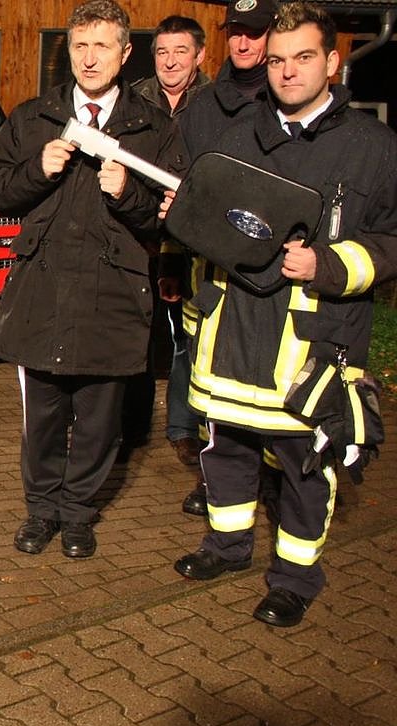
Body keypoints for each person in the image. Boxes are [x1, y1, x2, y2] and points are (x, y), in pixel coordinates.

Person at [170, 2, 397, 628]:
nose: (288, 72)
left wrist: (328, 263)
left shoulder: (374, 148)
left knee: (305, 466)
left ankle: (295, 579)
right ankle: (226, 546)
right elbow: (215, 220)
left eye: (303, 58)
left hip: (311, 339)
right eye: (276, 60)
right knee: (226, 449)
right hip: (232, 328)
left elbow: (391, 240)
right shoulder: (238, 135)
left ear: (332, 61)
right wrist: (183, 213)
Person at [0, 0, 184, 559]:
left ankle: (77, 514)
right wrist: (36, 170)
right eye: (79, 46)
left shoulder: (154, 127)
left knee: (98, 421)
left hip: (113, 295)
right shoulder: (33, 118)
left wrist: (128, 193)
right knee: (43, 418)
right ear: (67, 51)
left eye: (101, 46)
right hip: (42, 292)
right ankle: (40, 510)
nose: (89, 59)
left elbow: (171, 216)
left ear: (125, 53)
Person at [169, 0, 275, 516]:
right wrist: (171, 260)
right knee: (209, 384)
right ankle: (215, 477)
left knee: (266, 386)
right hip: (210, 272)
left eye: (253, 33)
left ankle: (271, 477)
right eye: (235, 31)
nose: (242, 42)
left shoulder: (284, 99)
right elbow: (179, 187)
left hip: (273, 275)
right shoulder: (203, 107)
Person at [131, 14, 210, 515]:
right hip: (137, 233)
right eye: (162, 52)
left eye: (181, 51)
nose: (171, 61)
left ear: (199, 55)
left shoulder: (215, 104)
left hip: (187, 239)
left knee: (185, 337)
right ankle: (131, 423)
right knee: (133, 332)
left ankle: (182, 427)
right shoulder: (135, 98)